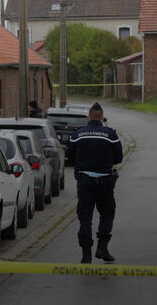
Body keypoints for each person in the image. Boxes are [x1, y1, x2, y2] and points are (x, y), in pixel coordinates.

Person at [68, 102, 122, 263]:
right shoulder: (111, 135)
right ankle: (102, 247)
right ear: (102, 117)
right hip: (105, 181)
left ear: (89, 117)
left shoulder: (78, 134)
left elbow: (70, 157)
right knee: (107, 213)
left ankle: (86, 254)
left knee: (85, 217)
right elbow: (118, 158)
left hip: (84, 182)